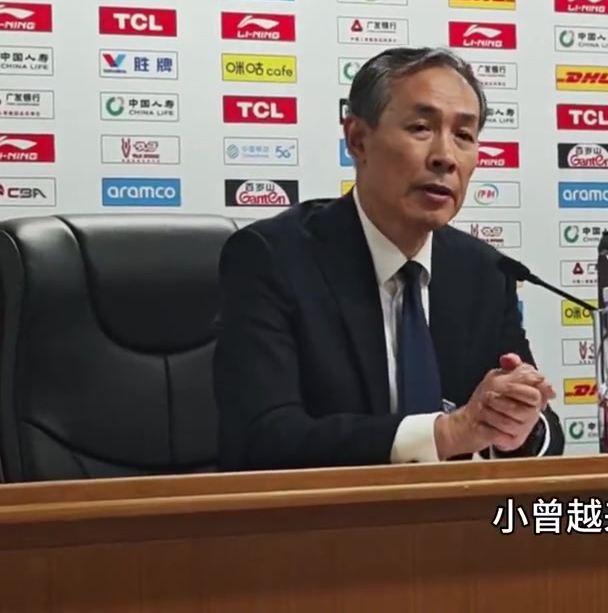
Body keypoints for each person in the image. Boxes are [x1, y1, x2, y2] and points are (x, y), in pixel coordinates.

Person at [215, 47, 563, 471]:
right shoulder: (273, 257)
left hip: (458, 511)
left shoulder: (483, 271)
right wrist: (444, 434)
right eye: (421, 128)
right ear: (358, 139)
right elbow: (264, 437)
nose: (445, 156)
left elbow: (542, 429)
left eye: (464, 136)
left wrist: (519, 424)